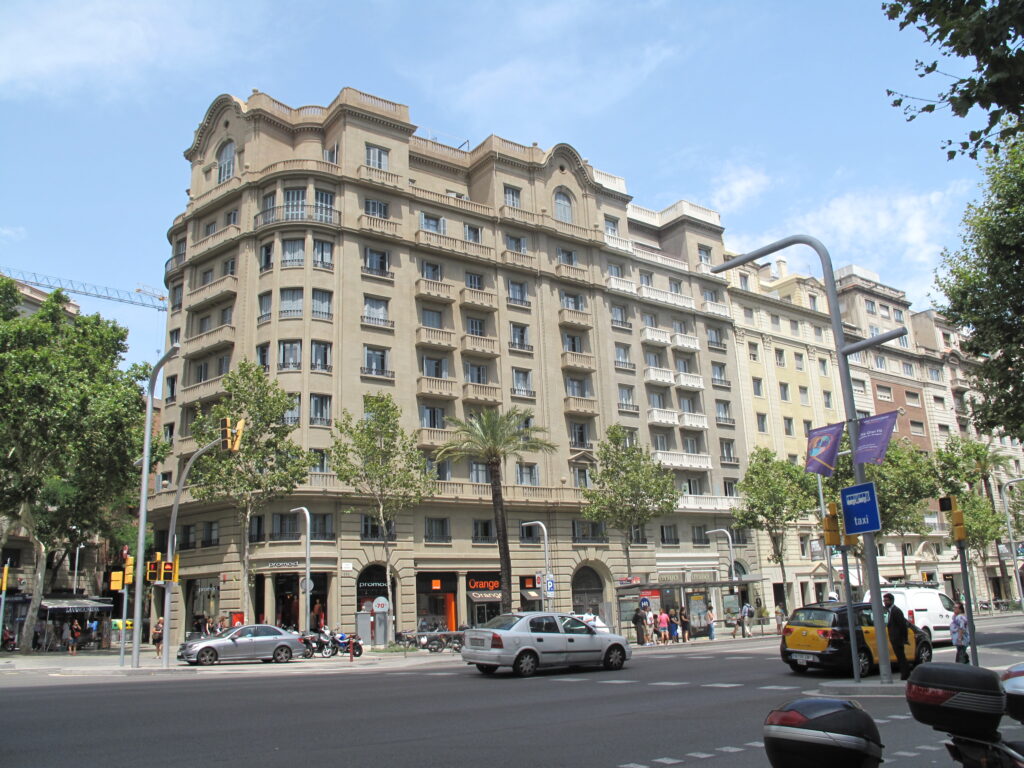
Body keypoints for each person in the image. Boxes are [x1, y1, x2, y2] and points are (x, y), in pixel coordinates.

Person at [883, 592, 910, 680]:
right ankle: (905, 673)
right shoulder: (890, 611)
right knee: (900, 657)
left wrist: (904, 638)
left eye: (887, 600)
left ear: (892, 601)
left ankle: (905, 674)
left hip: (897, 638)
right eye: (884, 600)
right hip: (894, 638)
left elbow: (902, 625)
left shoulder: (896, 611)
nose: (885, 602)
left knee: (901, 657)